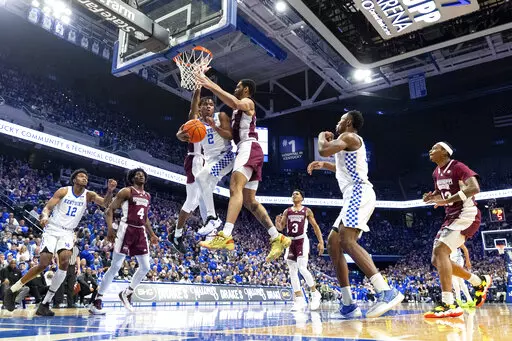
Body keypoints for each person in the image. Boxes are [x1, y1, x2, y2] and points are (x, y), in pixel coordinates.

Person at [307, 110, 403, 318]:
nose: (337, 122)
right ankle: (348, 304)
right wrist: (325, 165)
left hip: (359, 191)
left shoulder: (349, 136)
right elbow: (343, 169)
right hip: (352, 194)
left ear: (348, 122)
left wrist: (322, 137)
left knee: (347, 240)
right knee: (334, 243)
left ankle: (386, 291)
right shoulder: (346, 142)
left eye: (340, 120)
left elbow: (323, 149)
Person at [196, 75, 290, 261]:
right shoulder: (236, 112)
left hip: (248, 147)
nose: (235, 89)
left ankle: (226, 235)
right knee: (249, 201)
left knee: (234, 187)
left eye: (238, 86)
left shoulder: (247, 102)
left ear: (246, 89)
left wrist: (210, 85)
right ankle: (277, 237)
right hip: (248, 150)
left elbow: (235, 103)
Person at [3, 169, 116, 316]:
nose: (85, 179)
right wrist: (44, 216)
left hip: (68, 232)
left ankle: (45, 303)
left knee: (64, 262)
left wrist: (110, 190)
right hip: (52, 228)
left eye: (86, 177)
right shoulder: (64, 191)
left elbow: (105, 203)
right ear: (74, 179)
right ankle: (12, 291)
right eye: (81, 176)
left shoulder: (89, 195)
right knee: (43, 264)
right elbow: (48, 207)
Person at [423, 142, 491, 318]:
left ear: (445, 152)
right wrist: (433, 197)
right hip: (451, 217)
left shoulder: (458, 167)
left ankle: (448, 303)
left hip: (467, 214)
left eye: (434, 148)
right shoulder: (436, 173)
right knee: (437, 260)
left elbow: (474, 187)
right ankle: (479, 281)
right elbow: (442, 193)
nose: (430, 150)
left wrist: (446, 201)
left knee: (440, 251)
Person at [172, 88, 235, 253]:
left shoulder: (218, 117)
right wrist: (198, 89)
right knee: (198, 194)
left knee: (200, 192)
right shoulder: (195, 122)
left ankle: (209, 225)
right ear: (200, 108)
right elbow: (192, 109)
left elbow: (229, 134)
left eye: (211, 104)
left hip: (216, 158)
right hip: (198, 159)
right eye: (204, 104)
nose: (208, 106)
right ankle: (208, 229)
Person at [89, 168, 159, 315]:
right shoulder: (126, 192)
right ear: (132, 179)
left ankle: (127, 292)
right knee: (115, 267)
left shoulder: (147, 196)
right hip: (126, 229)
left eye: (143, 175)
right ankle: (98, 299)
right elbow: (109, 210)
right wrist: (110, 229)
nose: (140, 176)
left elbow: (145, 218)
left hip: (140, 232)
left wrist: (152, 234)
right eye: (137, 175)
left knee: (146, 267)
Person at [275, 189, 324, 311]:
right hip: (290, 241)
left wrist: (321, 242)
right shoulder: (287, 211)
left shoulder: (306, 211)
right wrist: (277, 223)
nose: (293, 195)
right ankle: (299, 299)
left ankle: (314, 292)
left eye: (296, 194)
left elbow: (315, 226)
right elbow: (281, 227)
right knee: (292, 271)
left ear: (302, 197)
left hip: (302, 240)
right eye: (292, 194)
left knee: (302, 268)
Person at [451, 244, 474, 308]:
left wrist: (468, 261)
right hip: (451, 260)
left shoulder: (455, 239)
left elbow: (465, 249)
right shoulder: (444, 240)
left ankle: (464, 300)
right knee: (456, 281)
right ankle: (465, 300)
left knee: (458, 279)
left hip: (458, 259)